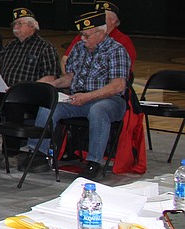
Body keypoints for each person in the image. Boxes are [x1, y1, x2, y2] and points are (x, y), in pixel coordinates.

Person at [26, 10, 130, 179]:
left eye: (86, 35)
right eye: (81, 34)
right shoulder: (79, 48)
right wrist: (52, 86)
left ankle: (94, 162)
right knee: (49, 105)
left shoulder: (116, 50)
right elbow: (70, 77)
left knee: (98, 110)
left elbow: (117, 86)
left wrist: (88, 96)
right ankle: (37, 153)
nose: (82, 39)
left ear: (101, 33)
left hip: (109, 100)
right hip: (78, 98)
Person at [0, 7, 59, 89]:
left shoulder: (45, 47)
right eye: (14, 24)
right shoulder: (10, 46)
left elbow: (51, 77)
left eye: (19, 23)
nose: (15, 27)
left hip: (30, 94)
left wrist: (24, 89)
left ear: (32, 26)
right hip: (5, 92)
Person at [63, 0, 135, 64]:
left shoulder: (123, 40)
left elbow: (124, 68)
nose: (97, 19)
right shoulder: (84, 35)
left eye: (102, 16)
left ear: (113, 20)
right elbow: (65, 59)